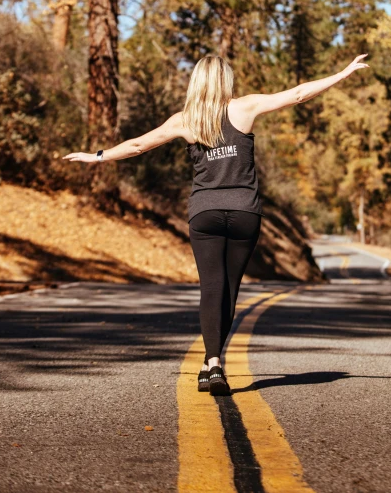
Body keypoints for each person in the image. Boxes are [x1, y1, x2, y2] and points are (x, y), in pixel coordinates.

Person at [63, 53, 369, 395]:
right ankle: (213, 364)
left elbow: (137, 146)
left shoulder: (185, 120)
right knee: (230, 290)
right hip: (244, 213)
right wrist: (340, 75)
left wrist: (98, 156)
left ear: (197, 81)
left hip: (205, 213)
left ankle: (213, 364)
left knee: (211, 287)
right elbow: (297, 94)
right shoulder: (244, 108)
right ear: (225, 80)